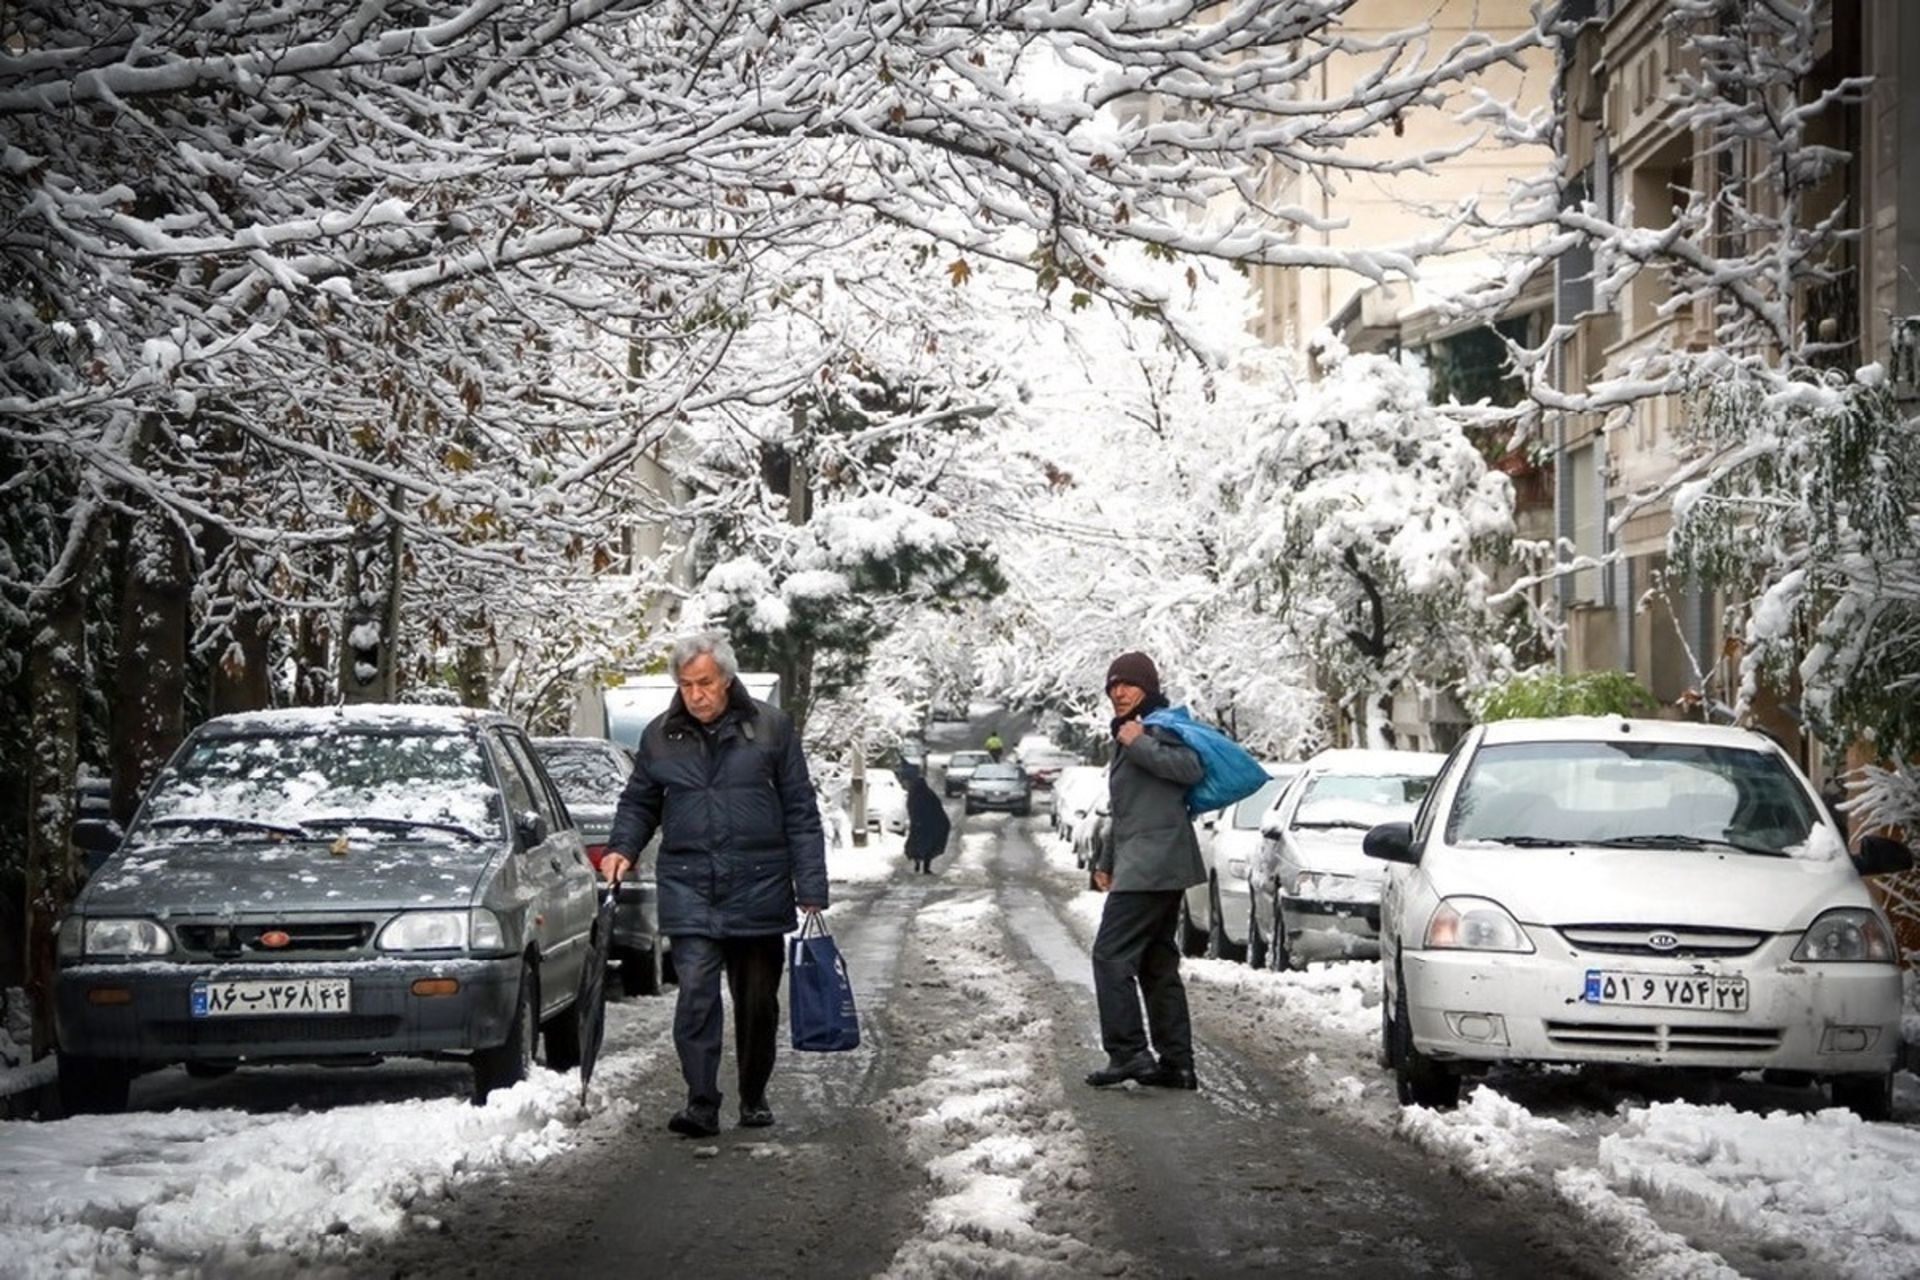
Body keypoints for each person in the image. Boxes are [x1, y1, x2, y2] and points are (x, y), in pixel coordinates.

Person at [600, 633, 828, 1137]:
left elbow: (800, 811)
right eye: (686, 685)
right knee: (696, 996)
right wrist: (622, 847)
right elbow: (640, 802)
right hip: (690, 885)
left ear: (725, 679)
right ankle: (701, 1102)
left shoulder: (771, 729)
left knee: (757, 1002)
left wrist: (810, 885)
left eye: (704, 683)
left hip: (759, 884)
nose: (696, 694)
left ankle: (753, 1095)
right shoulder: (661, 736)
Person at [1085, 650, 1205, 1091]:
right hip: (1147, 861)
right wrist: (1106, 859)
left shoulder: (1157, 727)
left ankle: (1129, 1051)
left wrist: (1140, 741)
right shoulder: (1128, 733)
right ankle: (1177, 1063)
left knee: (1110, 954)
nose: (1118, 693)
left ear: (1147, 688)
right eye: (1112, 686)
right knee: (1156, 963)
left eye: (1127, 684)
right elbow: (1126, 809)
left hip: (1155, 863)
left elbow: (1190, 769)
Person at [900, 763, 951, 874]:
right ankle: (923, 865)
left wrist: (916, 820)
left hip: (925, 822)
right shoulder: (924, 792)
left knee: (921, 843)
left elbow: (914, 808)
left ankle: (918, 862)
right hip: (929, 822)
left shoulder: (916, 793)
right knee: (927, 844)